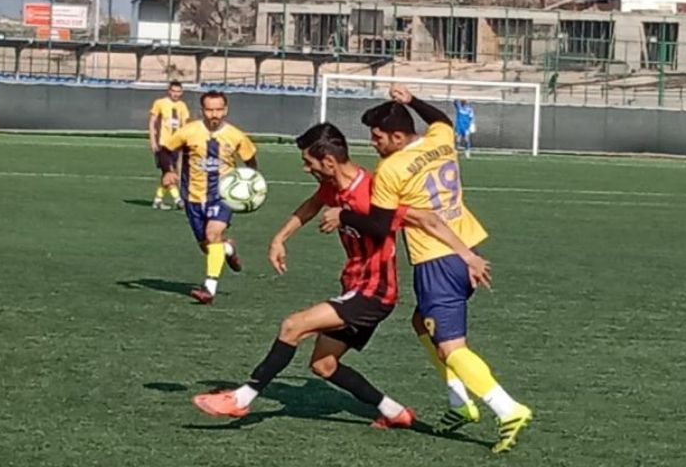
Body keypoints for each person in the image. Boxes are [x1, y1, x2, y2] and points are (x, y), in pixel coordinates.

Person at [192, 123, 489, 428]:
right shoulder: (333, 186)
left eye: (309, 162)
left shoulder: (374, 190)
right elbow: (312, 205)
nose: (306, 169)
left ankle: (241, 398)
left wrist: (467, 255)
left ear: (329, 161)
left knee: (293, 326)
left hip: (374, 293)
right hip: (355, 286)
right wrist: (280, 239)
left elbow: (424, 218)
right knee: (324, 365)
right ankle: (395, 412)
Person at [319, 86, 532, 454]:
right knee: (422, 323)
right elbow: (441, 120)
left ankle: (508, 409)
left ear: (398, 136)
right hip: (465, 245)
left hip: (435, 258)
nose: (373, 143)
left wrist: (344, 215)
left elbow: (381, 226)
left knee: (451, 347)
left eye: (378, 137)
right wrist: (412, 101)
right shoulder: (441, 139)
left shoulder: (391, 169)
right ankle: (458, 403)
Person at [158, 91, 255, 304]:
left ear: (226, 110)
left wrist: (249, 187)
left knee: (213, 235)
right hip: (193, 197)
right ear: (202, 110)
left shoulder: (236, 136)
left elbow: (251, 162)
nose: (215, 114)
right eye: (210, 109)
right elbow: (164, 151)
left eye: (219, 109)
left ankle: (208, 289)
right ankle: (228, 249)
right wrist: (167, 170)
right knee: (208, 246)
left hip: (222, 196)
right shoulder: (188, 132)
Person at [148, 81, 190, 210]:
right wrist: (153, 141)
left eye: (178, 91)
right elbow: (152, 122)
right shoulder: (160, 103)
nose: (176, 94)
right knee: (170, 173)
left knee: (168, 174)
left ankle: (158, 200)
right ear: (169, 91)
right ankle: (178, 200)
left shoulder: (182, 106)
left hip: (176, 145)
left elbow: (185, 125)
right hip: (163, 145)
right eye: (174, 91)